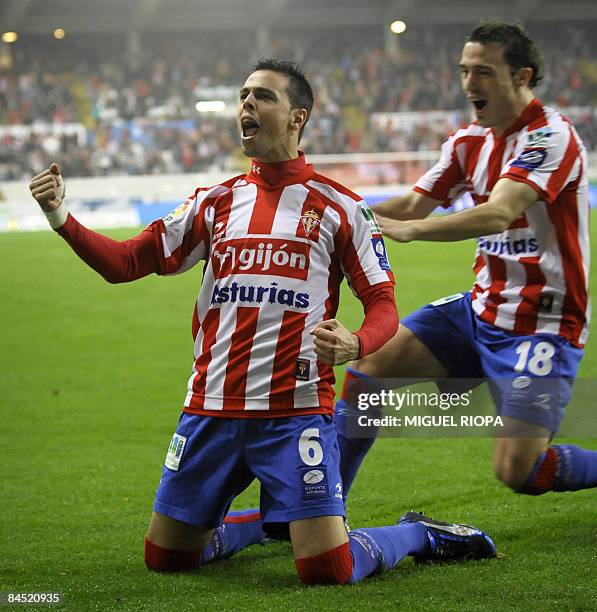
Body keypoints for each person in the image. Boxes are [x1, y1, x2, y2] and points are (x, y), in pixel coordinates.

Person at [29, 58, 495, 585]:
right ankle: (260, 526)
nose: (245, 105)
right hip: (211, 408)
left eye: (262, 97)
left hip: (293, 413)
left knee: (328, 569)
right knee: (167, 560)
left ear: (297, 118)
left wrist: (356, 342)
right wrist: (61, 219)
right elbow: (126, 263)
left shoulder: (342, 208)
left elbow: (382, 303)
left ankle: (419, 533)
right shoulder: (214, 203)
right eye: (243, 96)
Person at [335, 21, 597, 503]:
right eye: (464, 71)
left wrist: (408, 232)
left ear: (522, 77)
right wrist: (341, 218)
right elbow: (413, 204)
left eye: (484, 72)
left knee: (518, 471)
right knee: (368, 371)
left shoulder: (551, 138)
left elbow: (498, 212)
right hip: (479, 310)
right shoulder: (468, 141)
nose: (469, 83)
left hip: (542, 322)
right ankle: (324, 505)